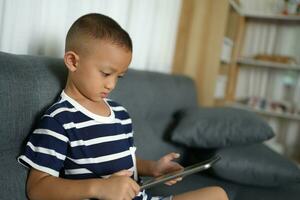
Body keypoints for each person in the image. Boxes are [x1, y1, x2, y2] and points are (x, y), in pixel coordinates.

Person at [18, 13, 229, 200]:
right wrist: (100, 188)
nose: (111, 84)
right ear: (73, 62)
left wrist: (153, 168)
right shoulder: (59, 119)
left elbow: (125, 160)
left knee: (217, 194)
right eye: (106, 73)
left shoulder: (120, 114)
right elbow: (37, 188)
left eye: (118, 76)